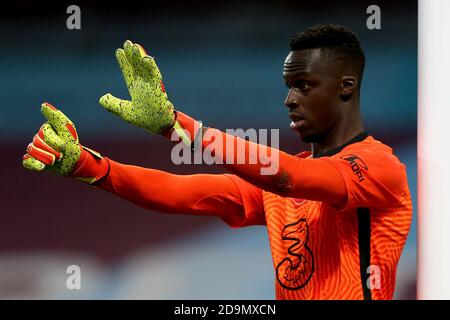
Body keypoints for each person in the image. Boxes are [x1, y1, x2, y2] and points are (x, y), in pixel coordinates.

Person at [22, 24, 412, 300]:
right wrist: (89, 167)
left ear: (346, 87)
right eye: (288, 87)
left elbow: (289, 177)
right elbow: (181, 193)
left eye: (304, 86)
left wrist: (179, 128)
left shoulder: (379, 168)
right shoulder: (282, 185)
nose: (289, 100)